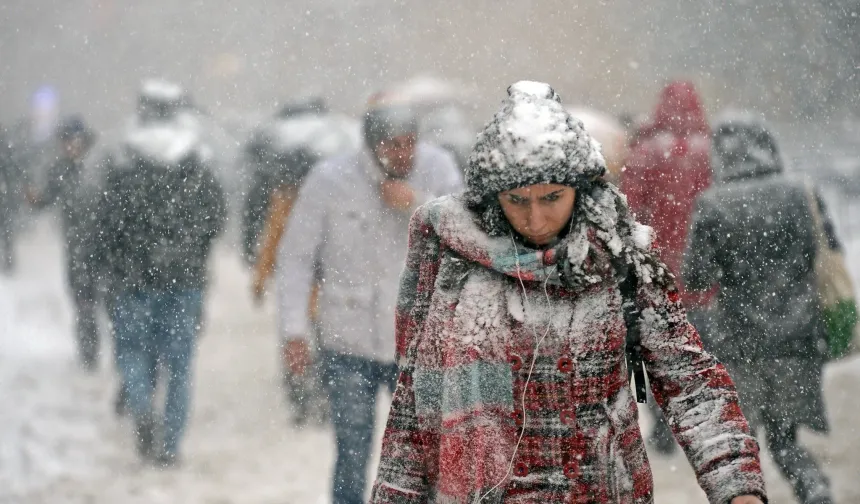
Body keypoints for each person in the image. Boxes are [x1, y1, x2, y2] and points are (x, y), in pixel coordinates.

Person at [370, 82, 766, 504]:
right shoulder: (459, 269)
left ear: (580, 190)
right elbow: (417, 412)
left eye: (552, 198)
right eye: (517, 200)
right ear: (492, 198)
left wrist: (738, 485)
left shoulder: (618, 264)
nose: (536, 218)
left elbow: (692, 382)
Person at [276, 101, 462, 504]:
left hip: (416, 343)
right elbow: (295, 258)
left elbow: (467, 233)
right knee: (351, 451)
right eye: (392, 145)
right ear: (371, 145)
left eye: (409, 144)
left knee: (424, 456)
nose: (402, 154)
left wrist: (417, 202)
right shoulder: (329, 180)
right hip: (347, 341)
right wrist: (292, 331)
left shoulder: (438, 168)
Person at [683, 114, 836, 504]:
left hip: (742, 339)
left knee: (738, 437)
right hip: (798, 335)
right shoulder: (800, 191)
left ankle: (740, 495)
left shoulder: (713, 204)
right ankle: (811, 485)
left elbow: (698, 277)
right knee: (785, 434)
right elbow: (825, 250)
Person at [96, 112, 226, 467]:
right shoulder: (195, 165)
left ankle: (141, 406)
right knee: (180, 365)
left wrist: (113, 263)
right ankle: (170, 445)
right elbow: (216, 219)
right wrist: (191, 249)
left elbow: (104, 226)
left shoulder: (125, 166)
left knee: (132, 352)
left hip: (133, 279)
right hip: (184, 281)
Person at [249, 101, 362, 426]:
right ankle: (325, 399)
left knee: (295, 340)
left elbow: (272, 241)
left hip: (302, 284)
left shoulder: (285, 197)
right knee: (327, 344)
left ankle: (301, 400)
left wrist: (260, 278)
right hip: (329, 285)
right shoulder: (336, 195)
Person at [621, 80, 714, 454]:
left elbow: (628, 208)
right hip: (703, 272)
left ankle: (663, 425)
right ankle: (700, 421)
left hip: (658, 270)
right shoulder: (712, 151)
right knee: (700, 350)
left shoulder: (644, 151)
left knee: (662, 350)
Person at [28, 116, 101, 369]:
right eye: (65, 141)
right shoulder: (59, 169)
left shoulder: (100, 165)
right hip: (77, 246)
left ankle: (122, 356)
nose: (69, 146)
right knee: (82, 300)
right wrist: (33, 199)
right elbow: (45, 198)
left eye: (73, 140)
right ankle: (89, 350)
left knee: (109, 302)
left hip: (106, 245)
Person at [0, 124, 21, 271]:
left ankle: (9, 258)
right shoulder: (7, 149)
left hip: (5, 197)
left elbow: (12, 170)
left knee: (6, 229)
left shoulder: (6, 150)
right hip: (5, 196)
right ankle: (8, 258)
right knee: (6, 230)